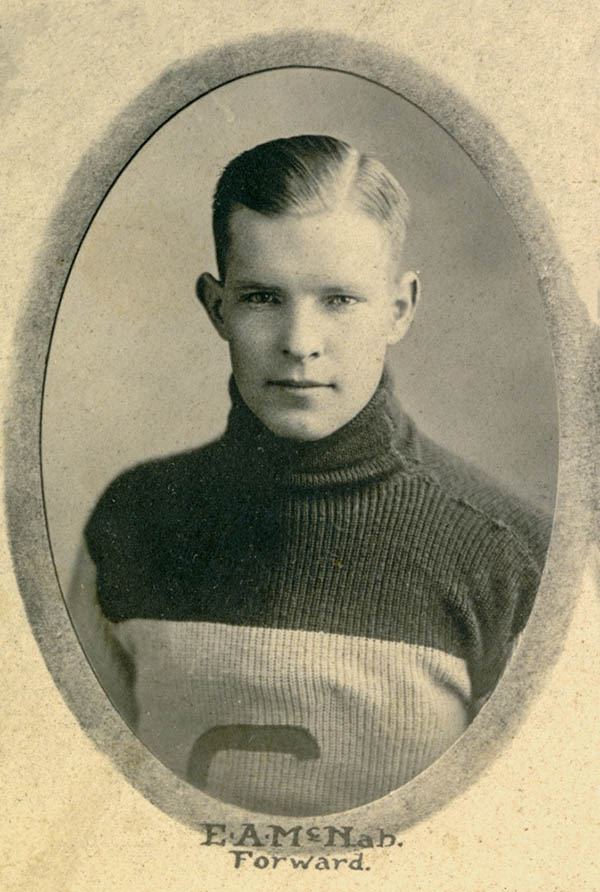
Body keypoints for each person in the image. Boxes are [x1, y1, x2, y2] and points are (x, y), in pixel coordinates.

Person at [68, 135, 551, 817]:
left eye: (339, 300)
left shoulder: (510, 555)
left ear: (400, 310)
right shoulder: (133, 520)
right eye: (263, 297)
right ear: (217, 307)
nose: (299, 342)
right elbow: (84, 808)